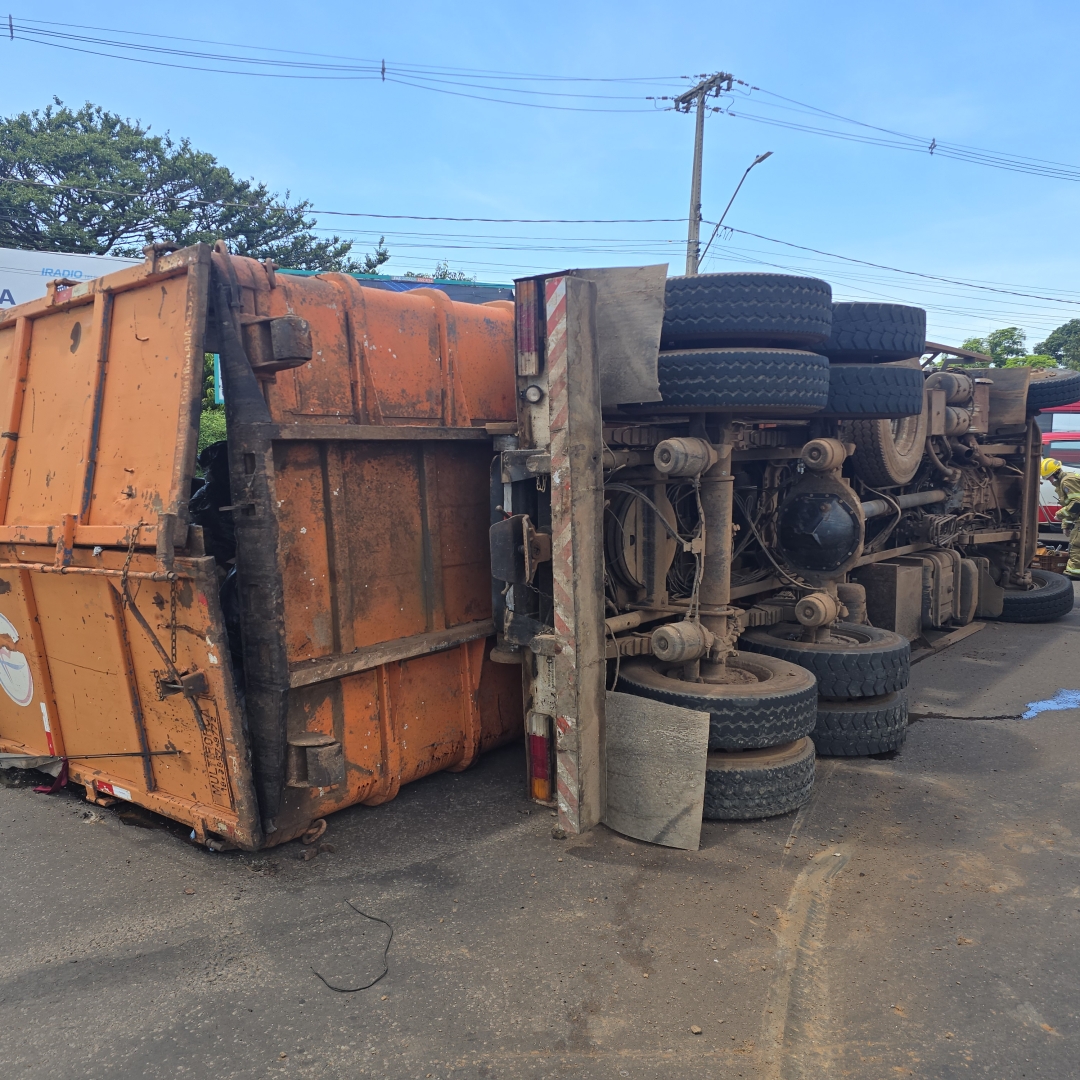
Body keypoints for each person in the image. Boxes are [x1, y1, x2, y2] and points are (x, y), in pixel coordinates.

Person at [1042, 457, 1080, 579]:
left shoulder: (1067, 481)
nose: (1050, 481)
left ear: (1056, 473)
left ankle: (1073, 573)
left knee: (1076, 544)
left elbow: (1077, 503)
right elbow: (1073, 509)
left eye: (1049, 478)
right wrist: (1066, 525)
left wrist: (1060, 514)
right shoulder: (1063, 481)